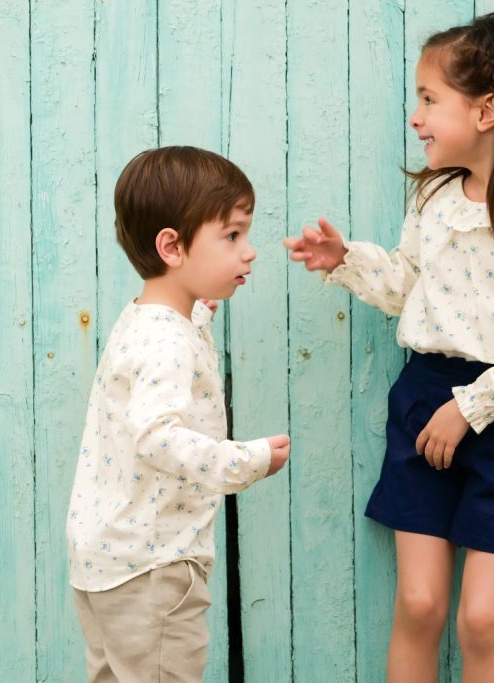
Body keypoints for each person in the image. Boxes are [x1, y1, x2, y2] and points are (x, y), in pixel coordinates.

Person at [284, 12, 494, 682]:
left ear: (486, 111)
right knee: (421, 601)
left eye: (429, 99)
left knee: (482, 619)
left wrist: (471, 407)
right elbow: (412, 287)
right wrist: (346, 259)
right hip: (424, 399)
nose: (416, 117)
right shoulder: (433, 200)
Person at [66, 145, 290, 683]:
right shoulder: (168, 341)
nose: (249, 251)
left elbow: (164, 365)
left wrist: (201, 312)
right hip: (153, 567)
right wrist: (245, 461)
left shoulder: (148, 319)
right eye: (232, 235)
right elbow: (157, 436)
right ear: (172, 246)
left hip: (106, 561)